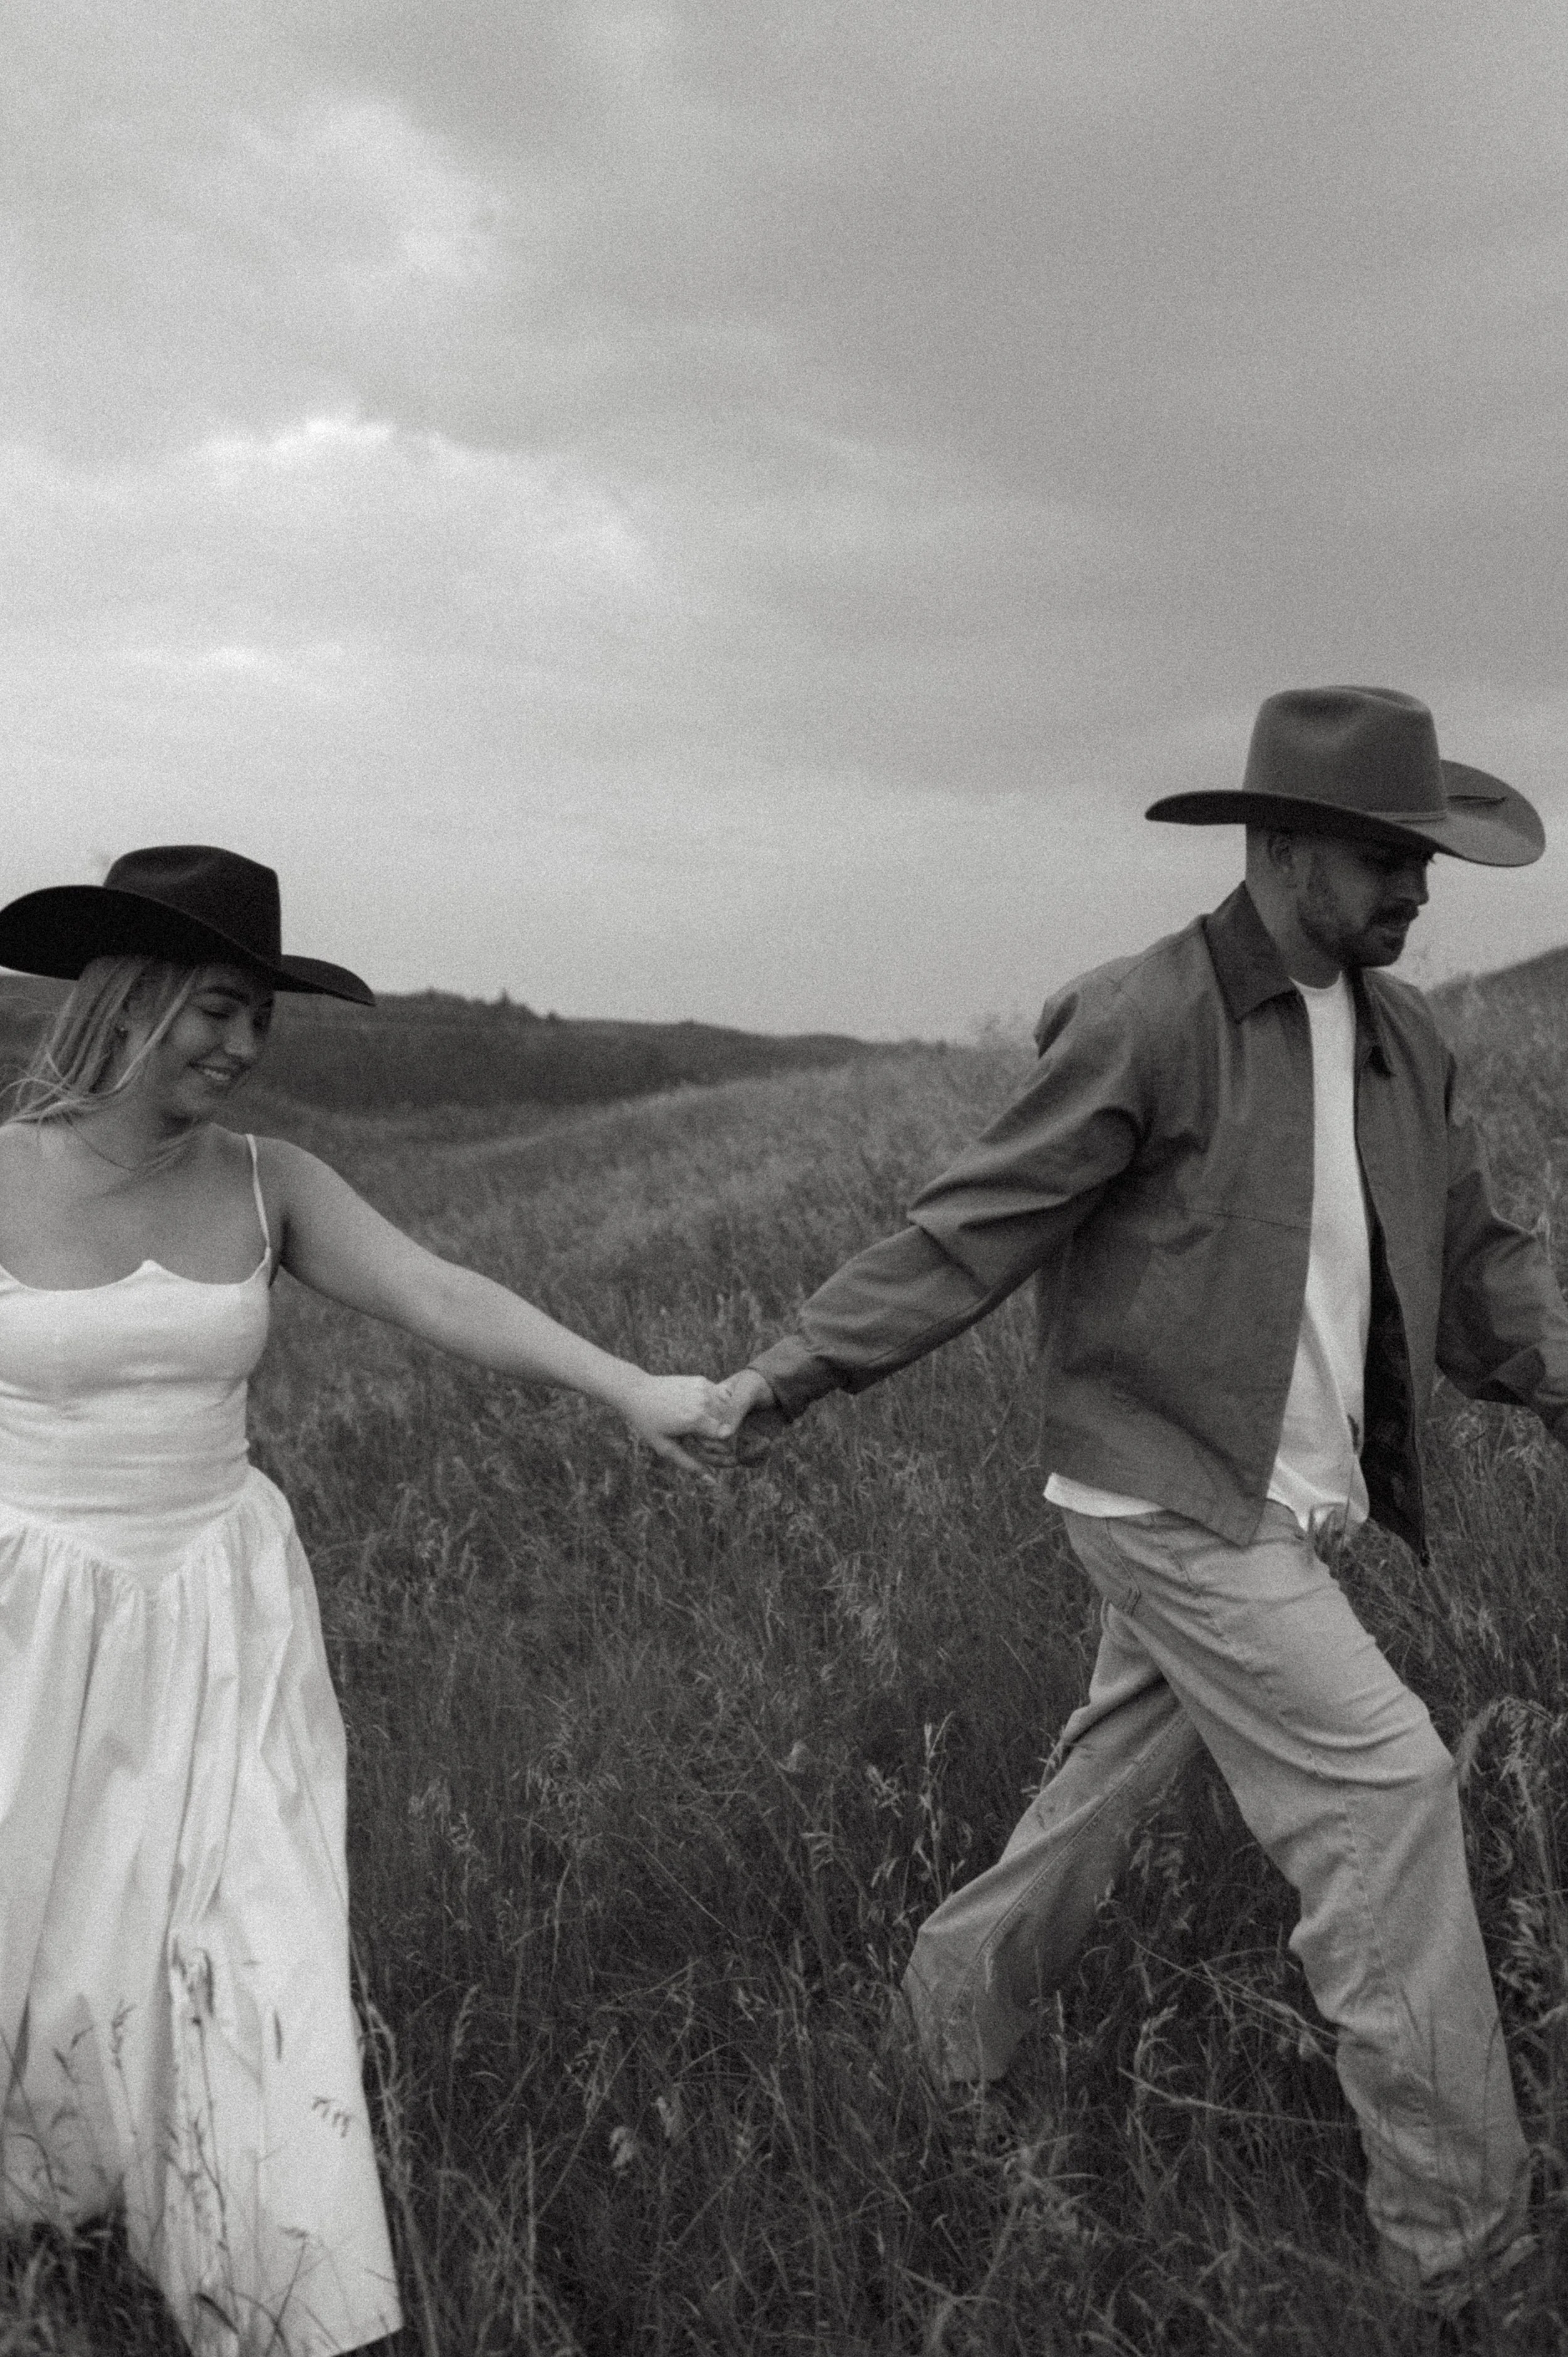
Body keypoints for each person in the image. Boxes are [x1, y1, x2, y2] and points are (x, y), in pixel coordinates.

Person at [710, 686, 1568, 2308]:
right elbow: (971, 1222)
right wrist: (788, 1371)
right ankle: (1472, 2262)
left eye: (1426, 858)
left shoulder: (1404, 1042)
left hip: (1280, 1500)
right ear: (1283, 844)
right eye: (1389, 857)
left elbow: (1472, 1275)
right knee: (1387, 1794)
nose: (1418, 892)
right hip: (1161, 1491)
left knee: (1102, 1782)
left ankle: (943, 2022)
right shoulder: (1145, 1016)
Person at [0, 846, 728, 2356]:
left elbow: (441, 1292)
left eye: (260, 1018)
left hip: (225, 1614)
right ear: (126, 997)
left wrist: (625, 1388)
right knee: (41, 1942)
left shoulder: (273, 1183)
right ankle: (51, 2233)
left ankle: (266, 2289)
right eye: (215, 1009)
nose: (241, 1047)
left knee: (252, 1935)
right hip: (28, 1612)